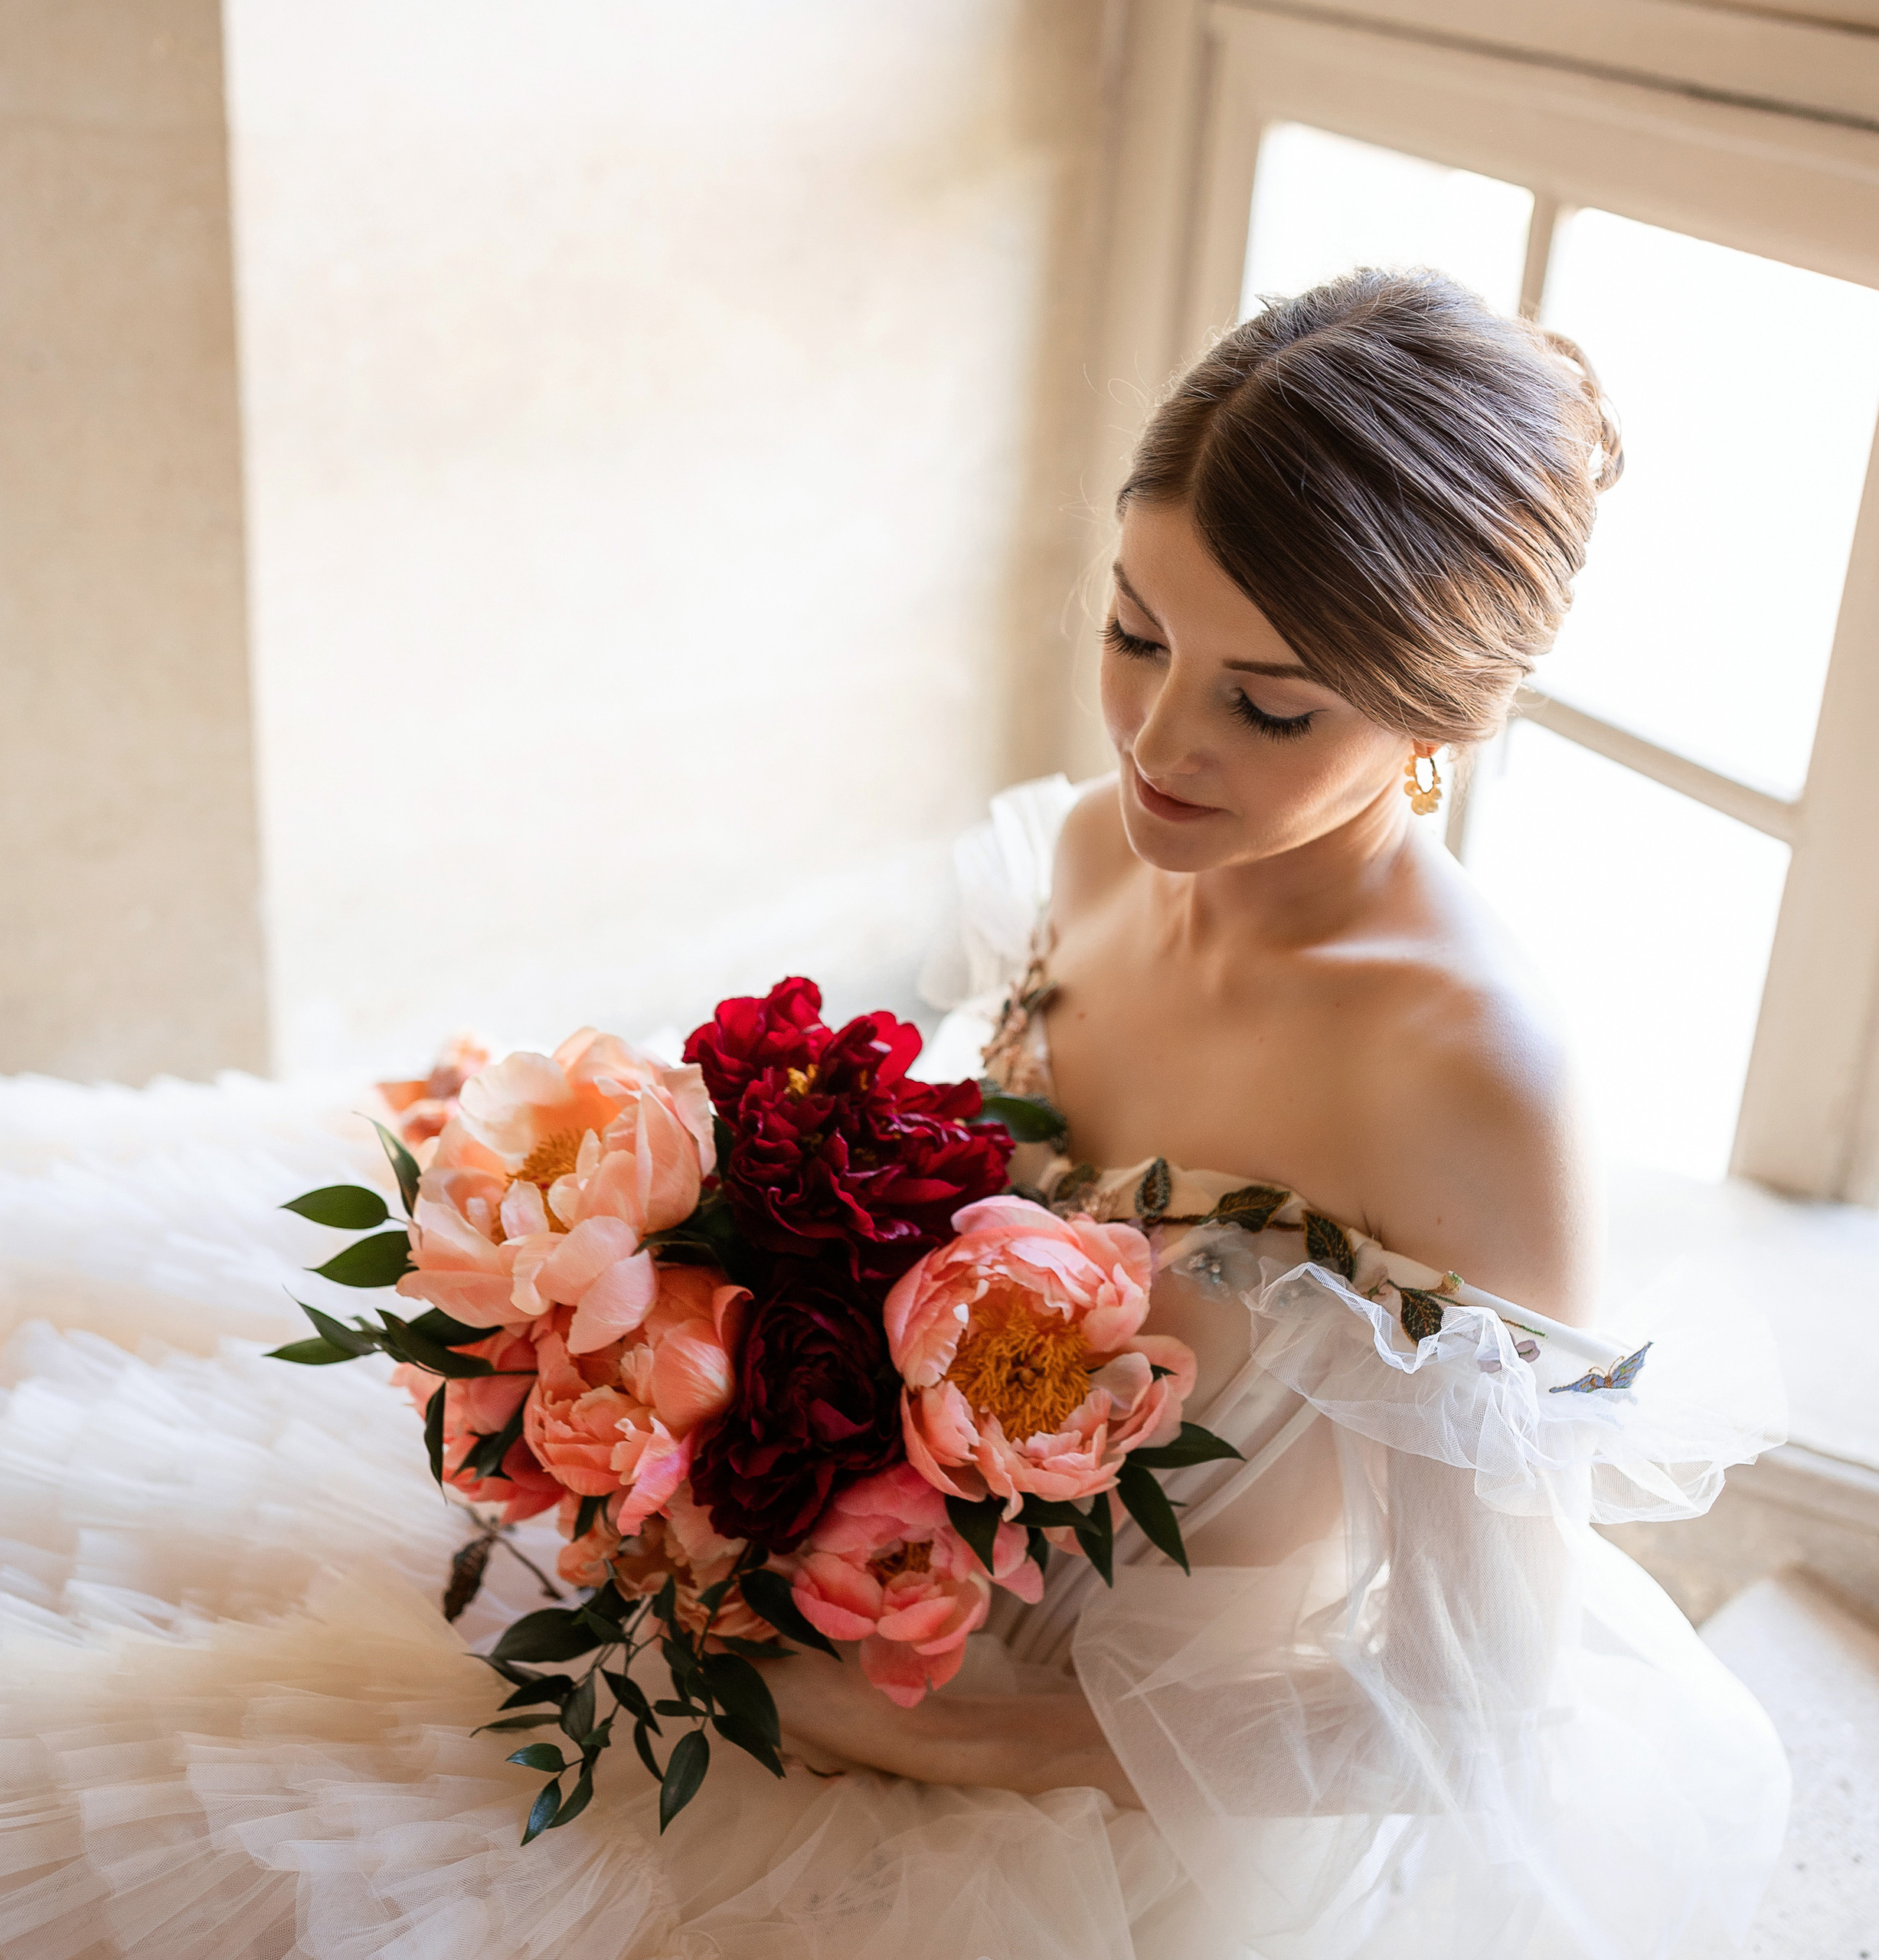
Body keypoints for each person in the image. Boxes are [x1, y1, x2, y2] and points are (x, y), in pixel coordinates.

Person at [0, 270, 1787, 1960]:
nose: (1159, 740)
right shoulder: (1090, 850)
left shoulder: (1469, 1073)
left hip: (1119, 1776)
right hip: (831, 1575)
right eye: (1131, 630)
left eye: (1265, 701)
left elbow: (1464, 1705)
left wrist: (955, 1742)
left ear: (1438, 714)